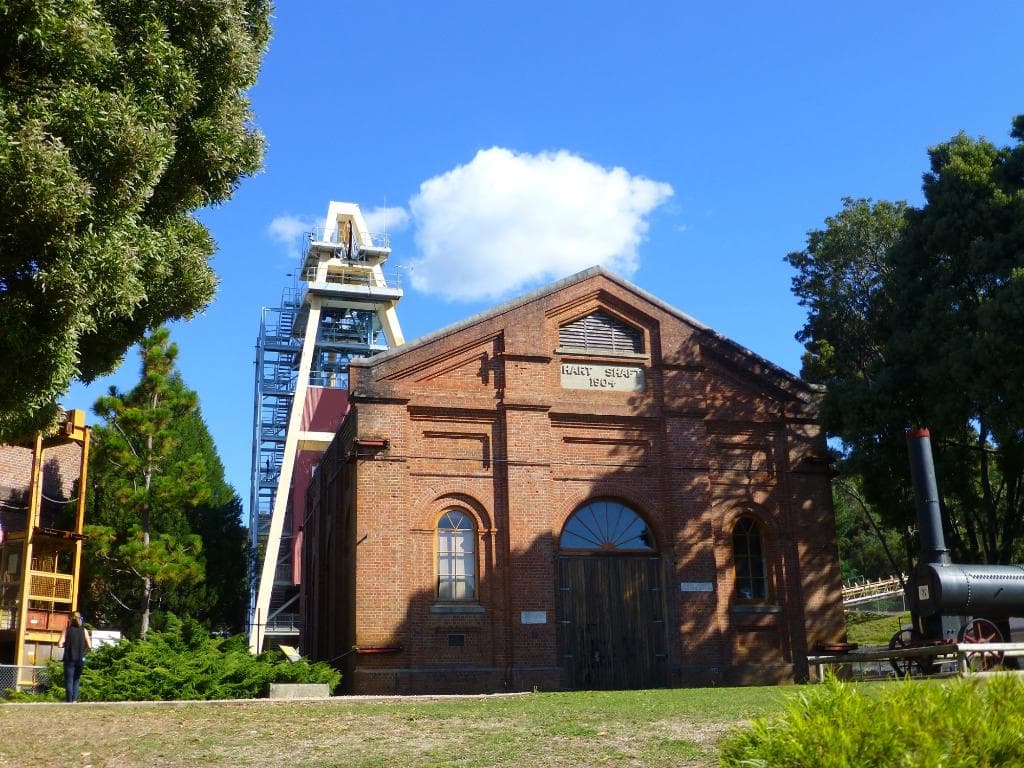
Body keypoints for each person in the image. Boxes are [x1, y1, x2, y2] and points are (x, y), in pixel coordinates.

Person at [58, 612, 91, 703]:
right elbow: (90, 646)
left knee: (69, 680)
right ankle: (75, 700)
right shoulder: (84, 630)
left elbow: (60, 643)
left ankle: (69, 700)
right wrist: (83, 653)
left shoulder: (67, 630)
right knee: (77, 679)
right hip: (80, 659)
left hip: (69, 658)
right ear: (80, 619)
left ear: (70, 619)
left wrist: (64, 645)